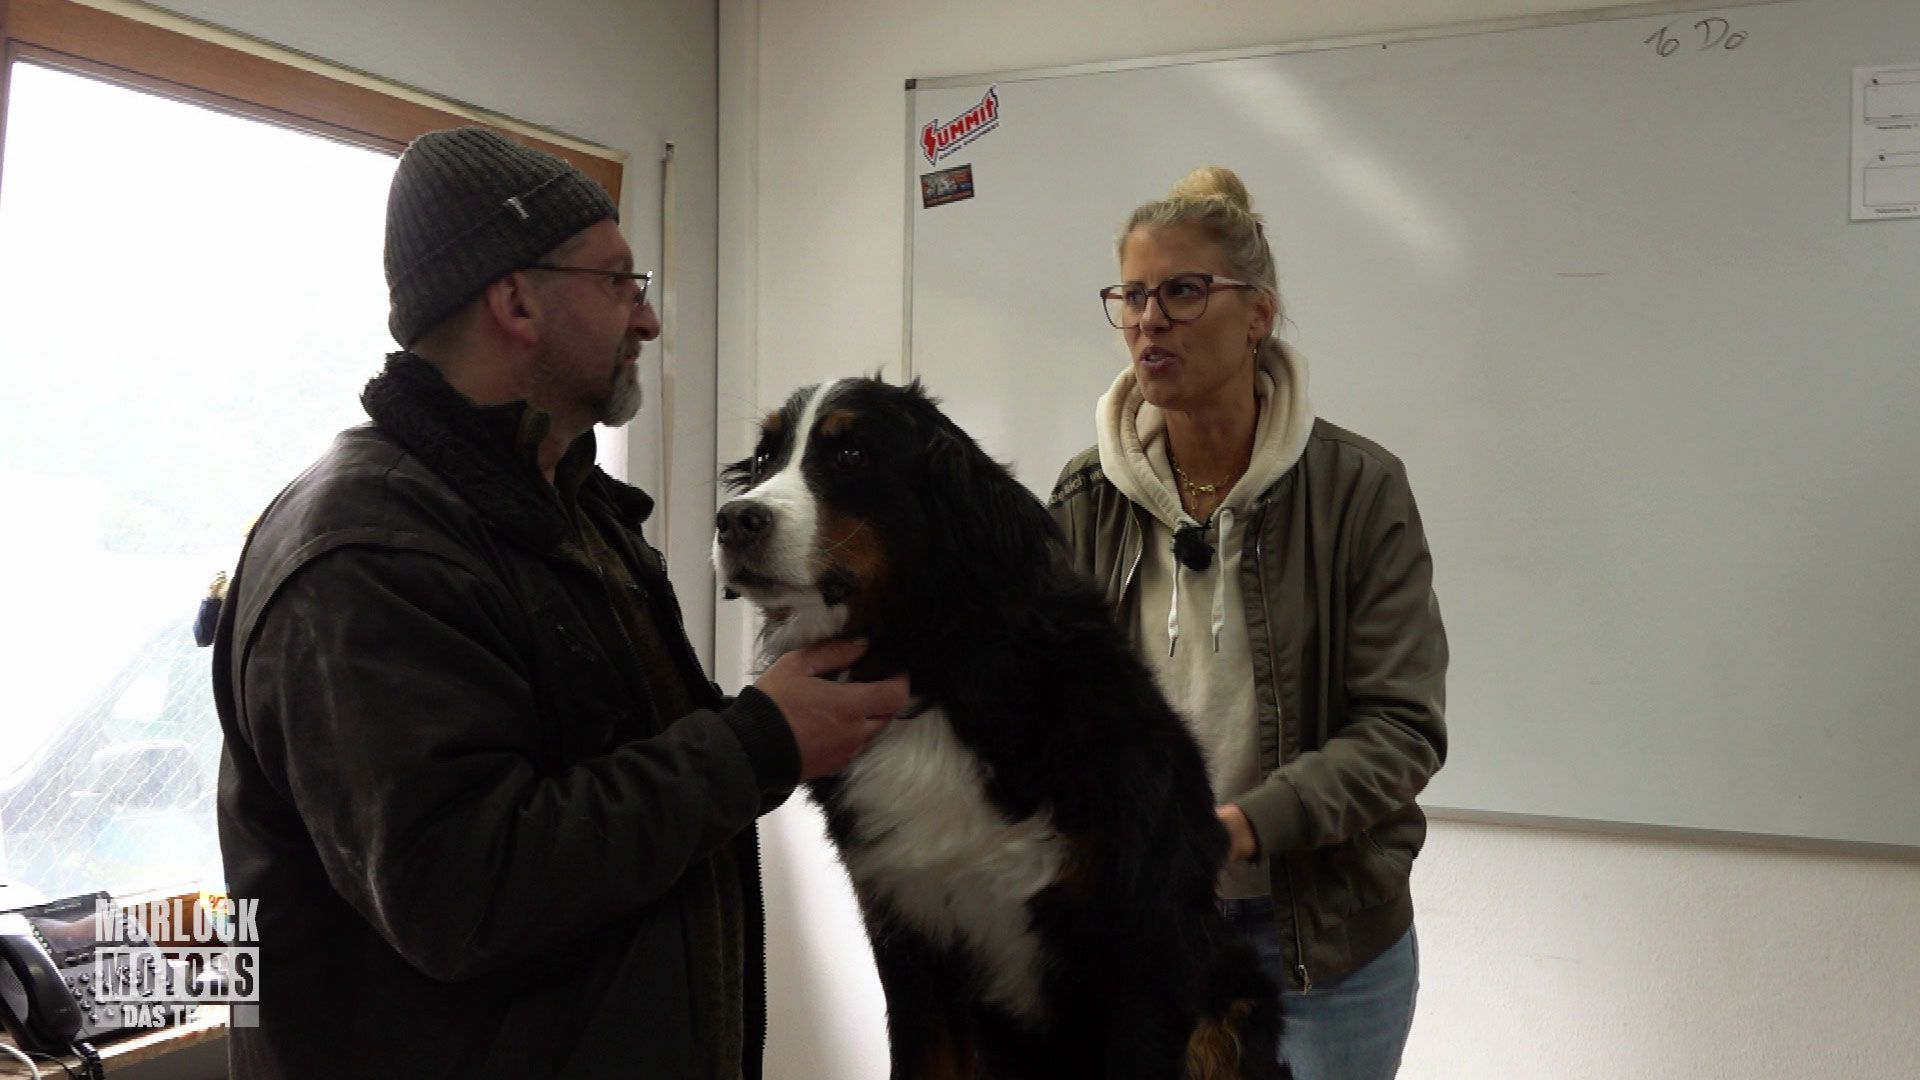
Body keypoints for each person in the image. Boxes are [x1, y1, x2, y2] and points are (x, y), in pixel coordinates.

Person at [210, 127, 907, 1079]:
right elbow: (461, 889)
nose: (648, 319)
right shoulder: (362, 553)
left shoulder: (565, 507)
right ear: (516, 299)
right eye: (621, 282)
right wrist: (759, 744)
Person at [1048, 166, 1448, 1079]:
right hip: (1142, 929)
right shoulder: (1084, 497)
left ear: (1258, 314)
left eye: (1184, 292)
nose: (1150, 321)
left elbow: (1401, 727)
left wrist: (1239, 826)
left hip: (1324, 945)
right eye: (1134, 296)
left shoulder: (1358, 491)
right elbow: (1046, 706)